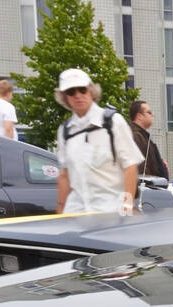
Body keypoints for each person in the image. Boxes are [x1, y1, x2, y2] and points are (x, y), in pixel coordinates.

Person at [53, 68, 143, 215]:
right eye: (71, 92)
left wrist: (127, 206)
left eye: (82, 89)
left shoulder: (113, 122)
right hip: (76, 213)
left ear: (91, 91)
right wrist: (61, 211)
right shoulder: (65, 130)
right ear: (64, 97)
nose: (78, 95)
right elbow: (64, 174)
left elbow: (130, 166)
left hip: (111, 212)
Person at [128, 99, 169, 178]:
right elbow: (140, 168)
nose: (152, 115)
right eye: (149, 112)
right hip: (147, 187)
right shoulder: (136, 136)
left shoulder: (143, 136)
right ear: (139, 116)